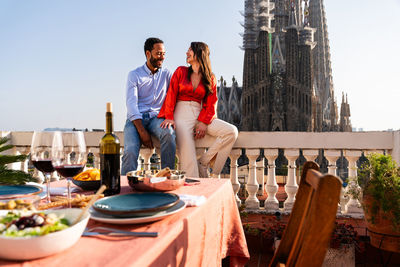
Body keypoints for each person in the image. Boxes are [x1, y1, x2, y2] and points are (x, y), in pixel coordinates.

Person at [158, 42, 238, 178]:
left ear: (199, 53)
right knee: (189, 162)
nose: (186, 53)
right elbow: (171, 94)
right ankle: (191, 193)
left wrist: (203, 122)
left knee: (231, 132)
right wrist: (169, 116)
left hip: (200, 112)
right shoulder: (180, 71)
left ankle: (206, 164)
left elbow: (211, 102)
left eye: (189, 50)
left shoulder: (210, 78)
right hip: (180, 114)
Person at [121, 37, 176, 175]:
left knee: (169, 135)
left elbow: (174, 97)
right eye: (158, 54)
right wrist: (142, 132)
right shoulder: (134, 75)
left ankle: (167, 177)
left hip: (157, 119)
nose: (162, 57)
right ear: (148, 54)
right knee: (130, 150)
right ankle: (125, 188)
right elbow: (131, 104)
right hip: (135, 121)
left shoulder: (167, 74)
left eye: (163, 54)